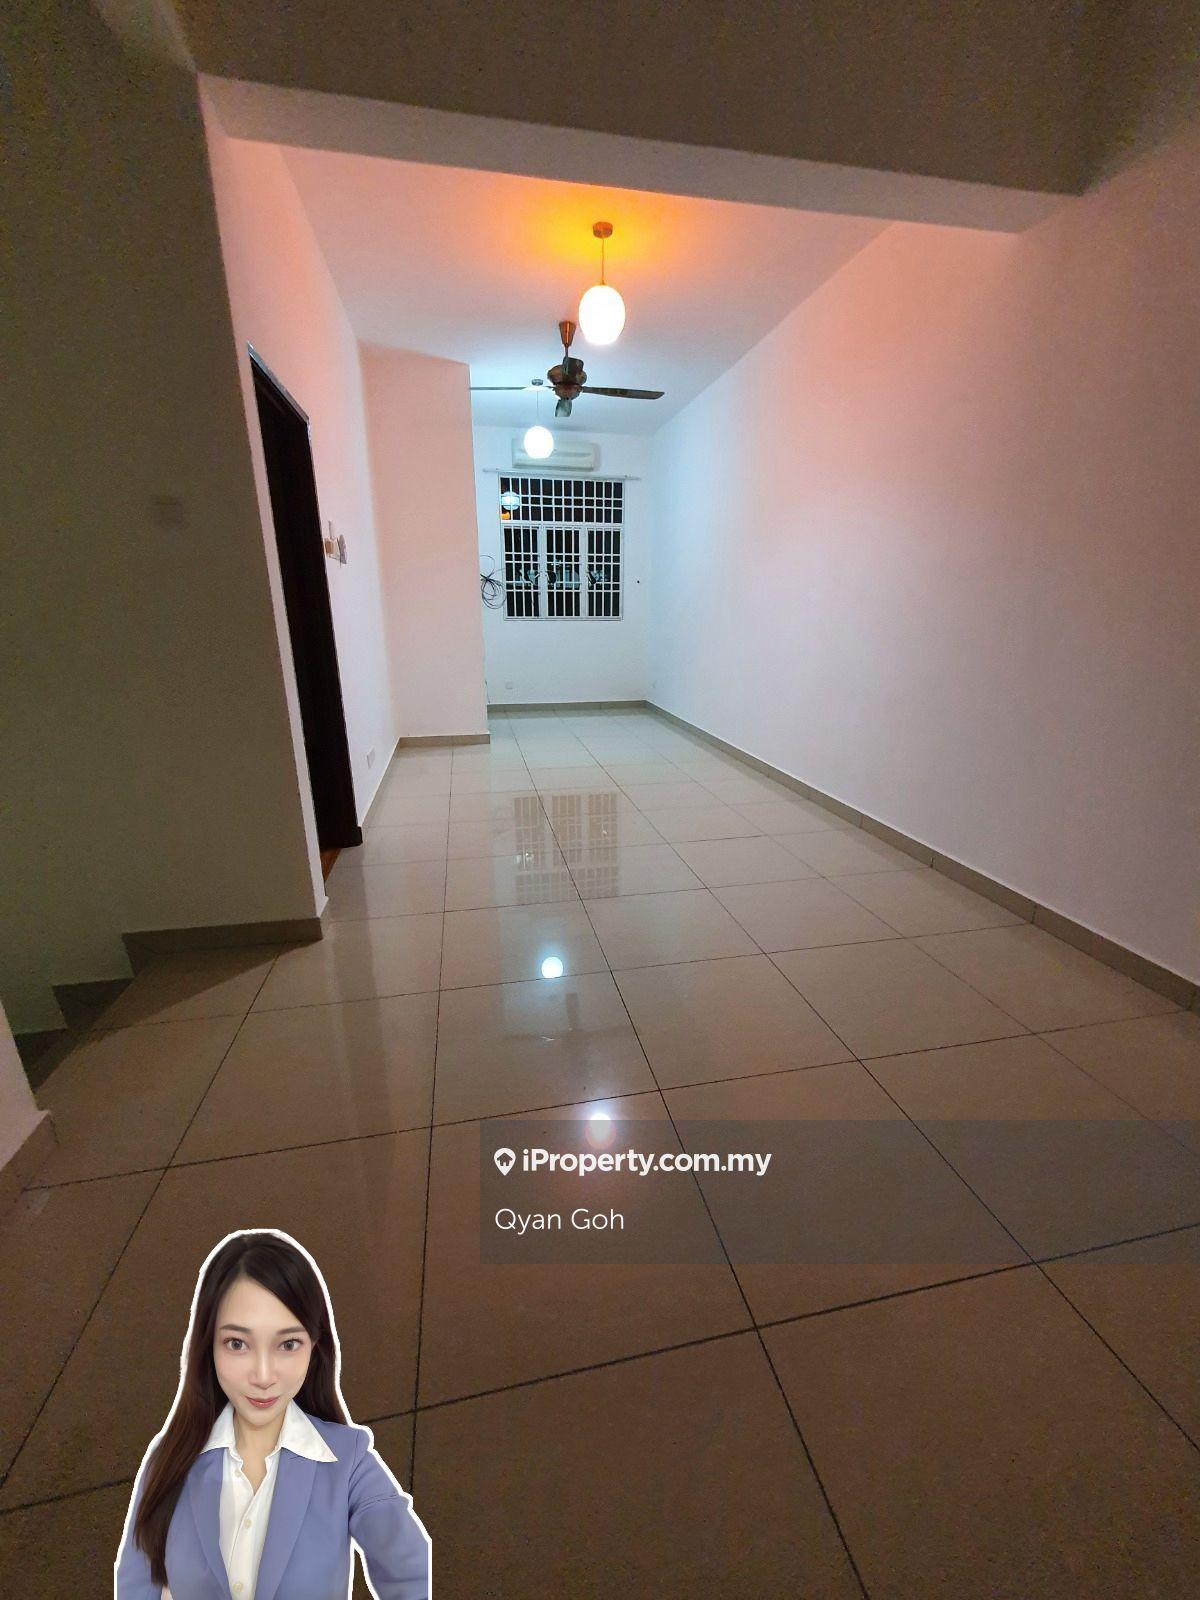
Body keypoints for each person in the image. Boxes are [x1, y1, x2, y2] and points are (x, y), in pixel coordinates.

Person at [114, 1229, 431, 1598]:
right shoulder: (168, 1459)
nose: (263, 1376)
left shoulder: (349, 1462)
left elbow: (411, 1569)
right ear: (208, 1345)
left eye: (288, 1344)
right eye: (237, 1344)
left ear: (315, 1345)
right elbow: (136, 1588)